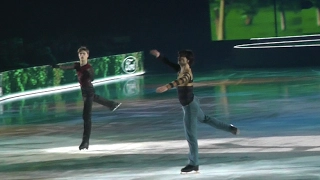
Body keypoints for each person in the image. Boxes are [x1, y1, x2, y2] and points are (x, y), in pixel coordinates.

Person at [150, 49, 239, 173]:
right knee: (205, 119)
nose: (180, 58)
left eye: (182, 57)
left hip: (190, 106)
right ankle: (230, 128)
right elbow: (169, 63)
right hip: (192, 102)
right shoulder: (180, 69)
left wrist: (167, 87)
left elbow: (181, 81)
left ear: (188, 60)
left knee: (191, 136)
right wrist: (159, 56)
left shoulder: (187, 72)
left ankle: (194, 164)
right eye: (179, 56)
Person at [53, 46, 121, 150]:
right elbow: (68, 67)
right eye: (80, 54)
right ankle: (112, 104)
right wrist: (58, 67)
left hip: (89, 91)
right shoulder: (77, 65)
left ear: (87, 55)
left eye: (84, 54)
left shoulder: (88, 67)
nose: (82, 55)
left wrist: (88, 73)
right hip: (84, 92)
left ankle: (85, 142)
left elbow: (92, 78)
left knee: (86, 117)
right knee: (95, 98)